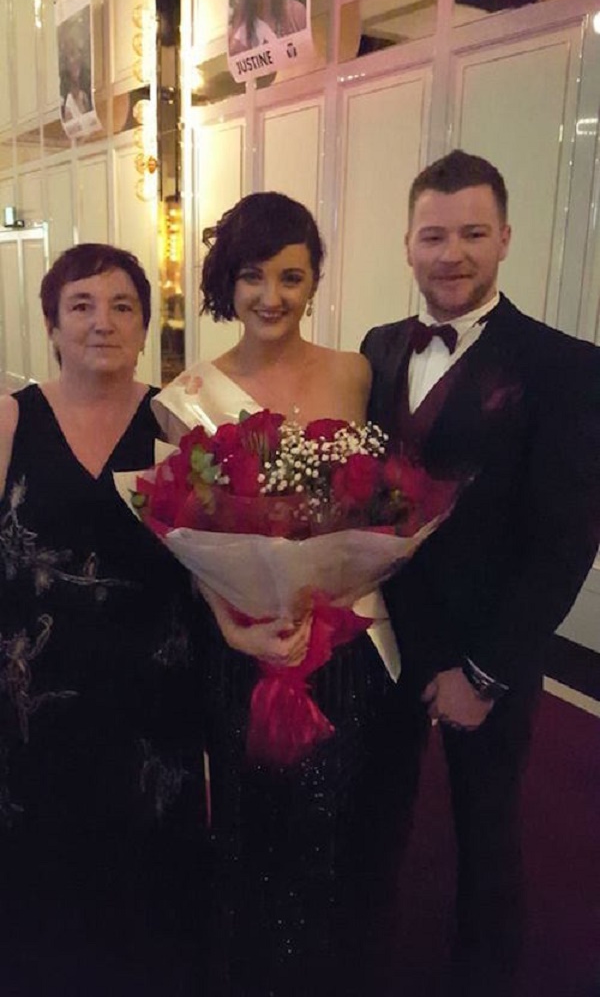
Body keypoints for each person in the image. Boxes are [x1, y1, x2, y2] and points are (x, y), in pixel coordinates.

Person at [361, 149, 600, 996]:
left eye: (471, 233)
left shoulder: (567, 366)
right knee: (377, 816)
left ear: (503, 239)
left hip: (485, 647)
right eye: (433, 235)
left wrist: (487, 673)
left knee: (486, 835)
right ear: (408, 245)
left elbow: (564, 541)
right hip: (382, 633)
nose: (450, 253)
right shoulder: (379, 348)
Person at [152, 192, 402, 997]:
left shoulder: (355, 372)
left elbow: (381, 503)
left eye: (291, 277)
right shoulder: (186, 394)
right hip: (246, 655)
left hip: (342, 650)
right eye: (252, 276)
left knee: (333, 829)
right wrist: (232, 626)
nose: (271, 297)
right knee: (251, 827)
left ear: (314, 279)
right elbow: (184, 537)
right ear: (227, 282)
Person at [0, 244, 206, 996]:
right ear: (52, 326)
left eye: (123, 306)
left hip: (152, 694)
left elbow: (213, 557)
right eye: (81, 306)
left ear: (145, 325)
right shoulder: (11, 420)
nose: (102, 323)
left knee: (146, 870)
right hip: (36, 694)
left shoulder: (176, 422)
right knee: (43, 866)